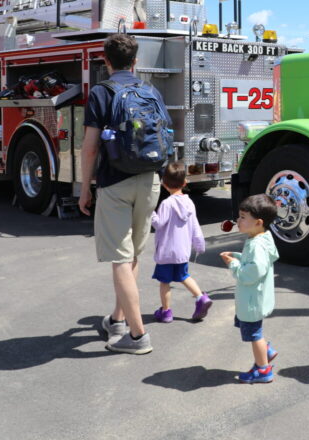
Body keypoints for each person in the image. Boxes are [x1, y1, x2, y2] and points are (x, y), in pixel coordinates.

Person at [80, 33, 168, 355]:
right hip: (149, 181)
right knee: (131, 256)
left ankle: (137, 335)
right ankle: (117, 319)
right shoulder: (150, 90)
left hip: (115, 183)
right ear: (135, 61)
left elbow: (90, 148)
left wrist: (85, 188)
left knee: (119, 258)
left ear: (105, 61)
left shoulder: (101, 93)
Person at [220, 194, 280, 384]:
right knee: (254, 332)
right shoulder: (262, 237)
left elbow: (251, 273)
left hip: (252, 300)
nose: (238, 220)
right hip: (256, 299)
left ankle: (263, 370)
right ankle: (266, 351)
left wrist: (233, 265)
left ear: (258, 222)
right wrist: (237, 256)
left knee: (255, 335)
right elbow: (255, 263)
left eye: (243, 217)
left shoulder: (256, 245)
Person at [150, 162, 212, 323]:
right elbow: (195, 226)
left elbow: (158, 223)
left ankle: (166, 312)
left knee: (165, 283)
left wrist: (150, 212)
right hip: (182, 252)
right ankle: (200, 298)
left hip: (166, 252)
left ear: (163, 184)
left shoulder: (166, 204)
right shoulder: (190, 203)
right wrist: (199, 245)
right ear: (185, 183)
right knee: (184, 276)